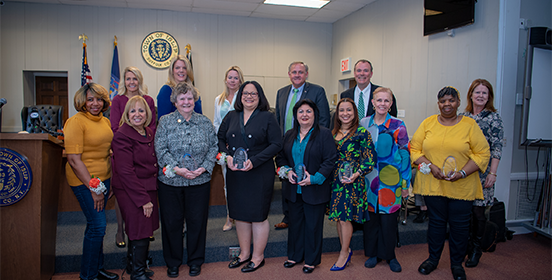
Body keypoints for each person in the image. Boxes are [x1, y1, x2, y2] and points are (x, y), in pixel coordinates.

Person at [411, 86, 490, 280]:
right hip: (433, 184)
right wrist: (430, 165)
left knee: (459, 226)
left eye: (451, 100)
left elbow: (482, 153)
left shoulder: (469, 125)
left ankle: (456, 264)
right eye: (443, 101)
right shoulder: (428, 123)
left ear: (458, 102)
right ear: (438, 103)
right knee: (436, 224)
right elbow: (414, 148)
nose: (447, 104)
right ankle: (433, 260)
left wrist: (462, 172)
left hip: (461, 186)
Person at [154, 82, 218, 278]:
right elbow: (160, 149)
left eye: (190, 98)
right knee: (172, 222)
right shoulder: (165, 121)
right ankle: (173, 262)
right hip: (171, 183)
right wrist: (177, 169)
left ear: (195, 100)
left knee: (197, 222)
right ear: (175, 101)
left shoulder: (205, 122)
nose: (186, 101)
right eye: (182, 98)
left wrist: (204, 168)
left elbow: (214, 147)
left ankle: (195, 261)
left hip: (199, 181)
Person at [218, 81, 282, 273]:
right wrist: (226, 156)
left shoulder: (267, 117)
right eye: (245, 93)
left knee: (258, 216)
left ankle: (258, 257)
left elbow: (276, 144)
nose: (249, 97)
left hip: (259, 172)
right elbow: (220, 138)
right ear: (240, 96)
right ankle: (244, 254)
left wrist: (254, 161)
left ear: (260, 96)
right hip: (236, 173)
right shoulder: (231, 116)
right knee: (241, 216)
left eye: (254, 94)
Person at [64, 83, 119, 280]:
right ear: (82, 102)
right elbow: (73, 160)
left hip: (103, 179)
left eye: (99, 99)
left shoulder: (104, 121)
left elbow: (107, 152)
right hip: (84, 181)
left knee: (95, 227)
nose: (95, 103)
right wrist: (94, 188)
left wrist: (109, 181)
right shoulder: (76, 122)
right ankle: (88, 275)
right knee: (98, 226)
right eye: (90, 99)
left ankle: (97, 269)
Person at [275, 99, 337, 274]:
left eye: (308, 111)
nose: (304, 115)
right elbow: (280, 158)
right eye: (301, 111)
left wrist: (315, 178)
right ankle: (294, 255)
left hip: (315, 188)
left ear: (315, 114)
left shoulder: (324, 134)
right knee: (295, 224)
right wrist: (287, 172)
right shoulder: (289, 134)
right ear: (295, 115)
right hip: (293, 189)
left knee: (313, 225)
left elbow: (330, 160)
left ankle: (311, 260)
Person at [274, 61, 331, 230]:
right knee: (288, 181)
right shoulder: (281, 92)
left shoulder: (317, 90)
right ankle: (288, 216)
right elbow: (279, 119)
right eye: (294, 72)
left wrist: (318, 141)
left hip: (311, 143)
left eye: (300, 72)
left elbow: (324, 119)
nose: (297, 75)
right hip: (288, 143)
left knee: (308, 184)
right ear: (289, 74)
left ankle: (307, 215)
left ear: (306, 74)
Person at [360, 87, 411, 273]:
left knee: (389, 221)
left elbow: (405, 155)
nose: (382, 104)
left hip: (392, 181)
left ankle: (389, 255)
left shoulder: (398, 125)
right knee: (371, 220)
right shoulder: (364, 123)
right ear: (372, 102)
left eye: (386, 101)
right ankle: (373, 253)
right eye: (379, 100)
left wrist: (405, 184)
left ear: (391, 104)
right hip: (369, 181)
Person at [112, 96, 159, 280]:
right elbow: (125, 172)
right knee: (139, 229)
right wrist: (143, 200)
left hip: (148, 186)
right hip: (131, 190)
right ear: (127, 114)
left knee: (142, 229)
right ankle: (138, 274)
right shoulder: (122, 135)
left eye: (141, 110)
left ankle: (134, 266)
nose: (137, 114)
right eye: (133, 111)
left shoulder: (147, 132)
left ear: (147, 113)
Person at [110, 66, 157, 250]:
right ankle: (121, 232)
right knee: (133, 215)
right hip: (126, 156)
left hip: (144, 163)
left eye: (135, 78)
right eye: (128, 79)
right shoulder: (118, 100)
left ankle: (137, 264)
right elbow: (115, 127)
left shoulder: (148, 100)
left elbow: (151, 128)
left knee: (142, 225)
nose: (132, 82)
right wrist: (132, 137)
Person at [328, 98, 376, 271]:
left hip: (351, 181)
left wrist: (356, 174)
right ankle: (345, 249)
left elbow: (370, 159)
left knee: (345, 218)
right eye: (342, 110)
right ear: (337, 113)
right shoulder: (332, 132)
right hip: (335, 181)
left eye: (349, 110)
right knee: (339, 218)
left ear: (355, 113)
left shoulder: (362, 132)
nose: (345, 114)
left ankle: (344, 252)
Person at [460, 79, 504, 268]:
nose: (480, 96)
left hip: (483, 173)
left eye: (484, 93)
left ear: (489, 97)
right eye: (477, 92)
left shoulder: (493, 118)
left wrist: (493, 173)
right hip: (463, 173)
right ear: (470, 94)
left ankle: (476, 249)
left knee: (478, 212)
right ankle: (465, 247)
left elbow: (496, 147)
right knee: (464, 213)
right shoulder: (463, 116)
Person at [213, 66, 244, 232]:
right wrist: (221, 143)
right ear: (226, 80)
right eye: (230, 77)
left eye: (236, 77)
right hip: (225, 147)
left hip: (242, 147)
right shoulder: (218, 99)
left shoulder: (244, 98)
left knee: (243, 183)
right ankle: (229, 216)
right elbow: (216, 123)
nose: (232, 80)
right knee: (228, 183)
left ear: (241, 80)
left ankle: (242, 216)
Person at [157, 55, 202, 120]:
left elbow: (200, 117)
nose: (181, 70)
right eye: (177, 68)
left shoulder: (194, 92)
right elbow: (163, 120)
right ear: (172, 71)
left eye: (184, 68)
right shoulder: (166, 90)